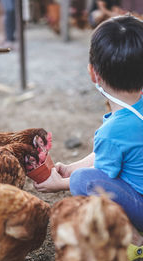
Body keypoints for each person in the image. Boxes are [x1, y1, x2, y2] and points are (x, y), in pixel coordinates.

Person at [34, 15, 143, 245]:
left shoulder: (112, 131)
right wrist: (71, 168)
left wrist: (63, 183)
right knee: (82, 172)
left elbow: (100, 177)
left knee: (84, 180)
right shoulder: (119, 128)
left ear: (93, 73)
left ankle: (134, 240)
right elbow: (108, 155)